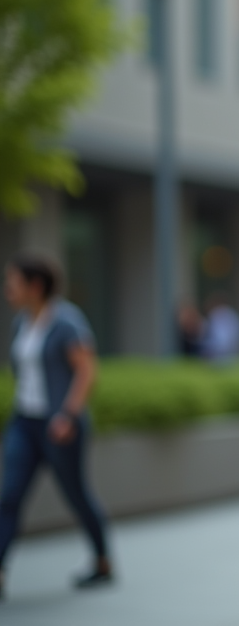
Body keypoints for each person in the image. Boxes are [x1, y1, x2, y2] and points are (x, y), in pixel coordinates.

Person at [1, 254, 113, 600]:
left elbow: (87, 371)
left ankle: (102, 560)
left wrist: (67, 414)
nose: (7, 289)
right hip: (25, 421)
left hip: (59, 424)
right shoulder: (22, 323)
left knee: (76, 494)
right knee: (9, 496)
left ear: (35, 286)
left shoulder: (67, 321)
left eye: (13, 282)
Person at [201, 292, 239, 363]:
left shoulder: (219, 314)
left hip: (220, 358)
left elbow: (222, 341)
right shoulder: (232, 314)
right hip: (231, 357)